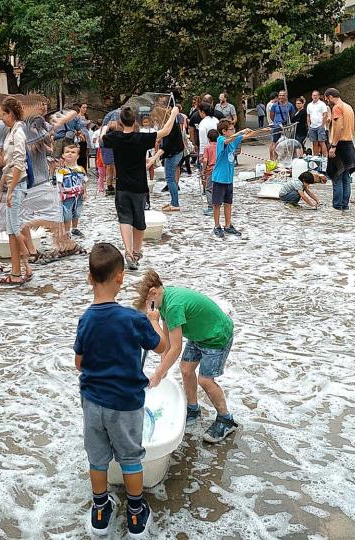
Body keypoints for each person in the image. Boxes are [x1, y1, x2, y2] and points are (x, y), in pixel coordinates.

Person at [75, 243, 167, 538]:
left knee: (97, 459)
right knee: (130, 458)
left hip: (92, 402)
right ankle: (136, 513)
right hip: (126, 404)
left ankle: (101, 510)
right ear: (121, 279)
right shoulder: (133, 318)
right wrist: (154, 322)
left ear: (89, 278)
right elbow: (162, 347)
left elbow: (79, 363)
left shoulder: (86, 319)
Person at [136, 270, 239, 443]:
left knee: (205, 380)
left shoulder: (174, 306)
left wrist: (159, 373)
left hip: (216, 336)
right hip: (200, 335)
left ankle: (226, 419)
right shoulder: (165, 301)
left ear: (153, 292)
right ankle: (193, 409)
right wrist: (163, 368)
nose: (149, 310)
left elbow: (176, 348)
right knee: (185, 369)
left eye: (148, 305)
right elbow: (167, 342)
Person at [102, 104, 179, 270]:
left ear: (121, 122)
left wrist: (106, 127)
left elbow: (102, 138)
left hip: (122, 186)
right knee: (139, 221)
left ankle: (128, 252)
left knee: (124, 219)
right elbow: (165, 131)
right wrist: (173, 114)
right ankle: (136, 252)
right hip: (139, 187)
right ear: (135, 121)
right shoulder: (141, 138)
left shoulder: (115, 137)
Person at [0, 96, 34, 286]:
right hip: (14, 184)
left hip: (17, 186)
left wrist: (9, 191)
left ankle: (25, 266)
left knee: (15, 230)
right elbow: (10, 164)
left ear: (11, 113)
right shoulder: (13, 132)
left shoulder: (18, 133)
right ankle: (18, 270)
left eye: (4, 113)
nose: (2, 117)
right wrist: (2, 186)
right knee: (12, 230)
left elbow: (19, 163)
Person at [211, 120, 263, 238]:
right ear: (224, 131)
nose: (233, 131)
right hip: (219, 179)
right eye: (231, 129)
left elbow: (247, 136)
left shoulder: (234, 140)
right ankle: (217, 226)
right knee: (217, 204)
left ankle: (228, 225)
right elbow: (229, 140)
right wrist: (240, 132)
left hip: (229, 179)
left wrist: (262, 131)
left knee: (228, 203)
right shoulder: (220, 140)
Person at [324, 88, 355, 211]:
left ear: (330, 97)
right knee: (346, 178)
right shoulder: (349, 107)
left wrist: (333, 146)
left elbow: (339, 128)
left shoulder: (337, 108)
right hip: (349, 144)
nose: (327, 101)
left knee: (337, 176)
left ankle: (337, 206)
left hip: (340, 145)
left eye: (326, 98)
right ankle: (344, 205)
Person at [58, 143, 86, 238]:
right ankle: (66, 231)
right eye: (67, 152)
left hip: (79, 195)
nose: (70, 154)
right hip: (67, 196)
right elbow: (59, 183)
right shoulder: (61, 170)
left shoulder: (81, 169)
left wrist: (85, 192)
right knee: (67, 214)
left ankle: (75, 228)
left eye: (73, 152)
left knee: (77, 212)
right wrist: (60, 193)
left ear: (77, 156)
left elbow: (84, 181)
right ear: (63, 155)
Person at [269, 90, 295, 161]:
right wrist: (276, 122)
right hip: (277, 126)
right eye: (280, 95)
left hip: (286, 127)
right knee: (274, 142)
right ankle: (273, 159)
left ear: (286, 96)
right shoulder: (274, 105)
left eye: (283, 95)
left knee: (287, 142)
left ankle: (286, 158)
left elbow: (292, 115)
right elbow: (271, 115)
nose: (281, 97)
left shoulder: (289, 105)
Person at [199, 129, 218, 216]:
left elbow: (205, 160)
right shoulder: (219, 146)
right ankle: (217, 205)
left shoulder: (207, 147)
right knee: (216, 188)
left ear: (208, 138)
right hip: (219, 170)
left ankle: (211, 207)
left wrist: (203, 171)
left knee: (208, 189)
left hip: (210, 170)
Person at [307, 90, 329, 156]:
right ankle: (315, 158)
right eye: (313, 95)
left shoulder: (322, 104)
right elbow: (308, 116)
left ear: (319, 96)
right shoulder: (309, 105)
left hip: (320, 126)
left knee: (322, 142)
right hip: (312, 126)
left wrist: (322, 125)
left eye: (316, 95)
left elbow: (325, 114)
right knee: (314, 143)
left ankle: (325, 158)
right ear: (311, 96)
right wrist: (309, 126)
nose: (315, 97)